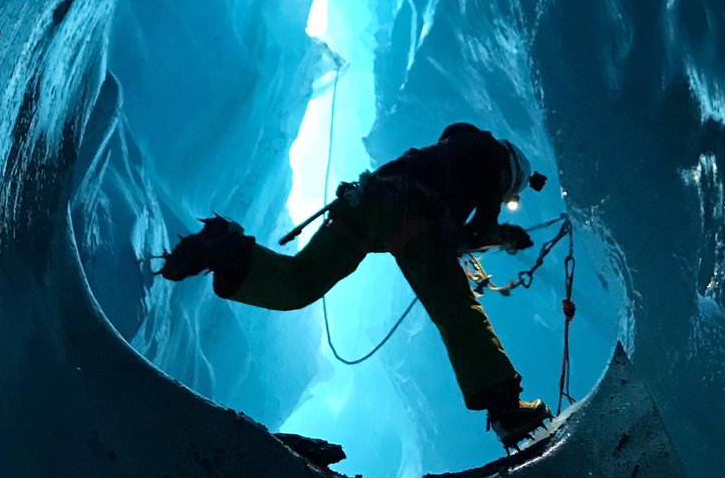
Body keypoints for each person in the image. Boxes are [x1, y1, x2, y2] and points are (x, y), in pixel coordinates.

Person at [158, 123, 553, 449]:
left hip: (368, 203)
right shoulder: (490, 158)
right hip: (409, 209)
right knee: (455, 307)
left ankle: (229, 250)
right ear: (511, 174)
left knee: (301, 282)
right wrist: (501, 234)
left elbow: (450, 237)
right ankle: (506, 409)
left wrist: (497, 236)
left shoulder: (454, 154)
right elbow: (464, 231)